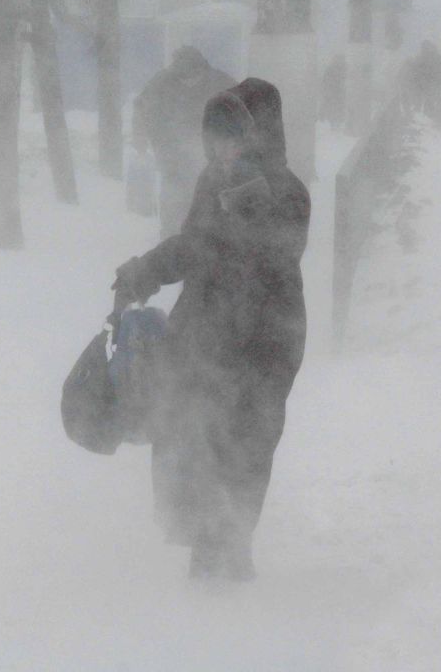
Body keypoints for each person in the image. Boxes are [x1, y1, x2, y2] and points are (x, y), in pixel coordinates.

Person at [112, 79, 310, 581]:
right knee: (193, 437)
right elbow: (192, 245)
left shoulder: (288, 192)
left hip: (267, 343)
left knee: (249, 444)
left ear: (259, 135)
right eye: (215, 139)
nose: (222, 149)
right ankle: (207, 547)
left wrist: (246, 205)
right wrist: (143, 271)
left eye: (234, 137)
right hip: (205, 335)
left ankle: (234, 547)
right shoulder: (211, 181)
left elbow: (277, 256)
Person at [132, 46, 236, 237]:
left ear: (201, 69)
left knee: (208, 189)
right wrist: (139, 134)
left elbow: (242, 111)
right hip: (168, 146)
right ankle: (171, 236)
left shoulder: (221, 83)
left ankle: (205, 236)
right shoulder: (162, 81)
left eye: (192, 76)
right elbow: (141, 106)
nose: (187, 81)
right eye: (182, 77)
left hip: (210, 148)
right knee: (173, 190)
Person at [405, 40, 441, 129]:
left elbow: (424, 72)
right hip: (437, 86)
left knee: (435, 105)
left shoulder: (432, 59)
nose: (423, 51)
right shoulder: (436, 58)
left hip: (436, 86)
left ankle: (438, 124)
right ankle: (438, 124)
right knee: (436, 105)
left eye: (424, 49)